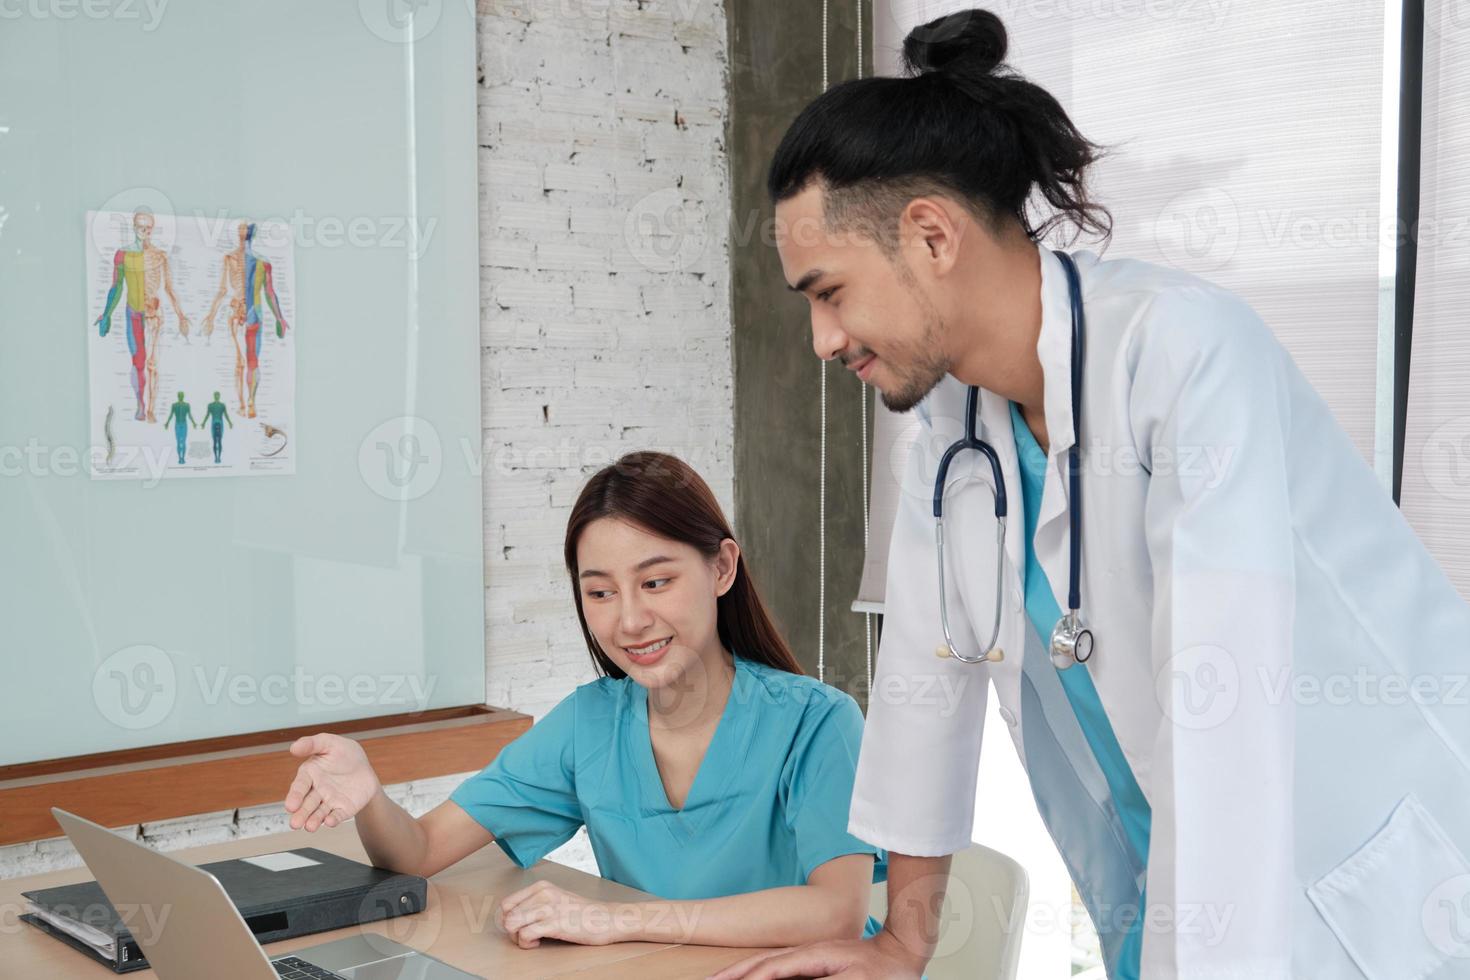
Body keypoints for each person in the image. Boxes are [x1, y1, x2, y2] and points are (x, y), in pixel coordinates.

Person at [716, 9, 1470, 980]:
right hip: (1163, 891)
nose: (823, 339)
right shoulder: (952, 433)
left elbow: (1225, 712)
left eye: (830, 291)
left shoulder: (1183, 355)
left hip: (1373, 896)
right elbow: (923, 687)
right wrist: (903, 939)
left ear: (931, 235)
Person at [283, 451, 887, 951]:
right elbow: (419, 849)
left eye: (656, 582)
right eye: (600, 592)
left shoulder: (817, 721)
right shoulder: (589, 723)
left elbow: (835, 911)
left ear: (722, 568)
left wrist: (617, 921)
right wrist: (369, 795)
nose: (629, 620)